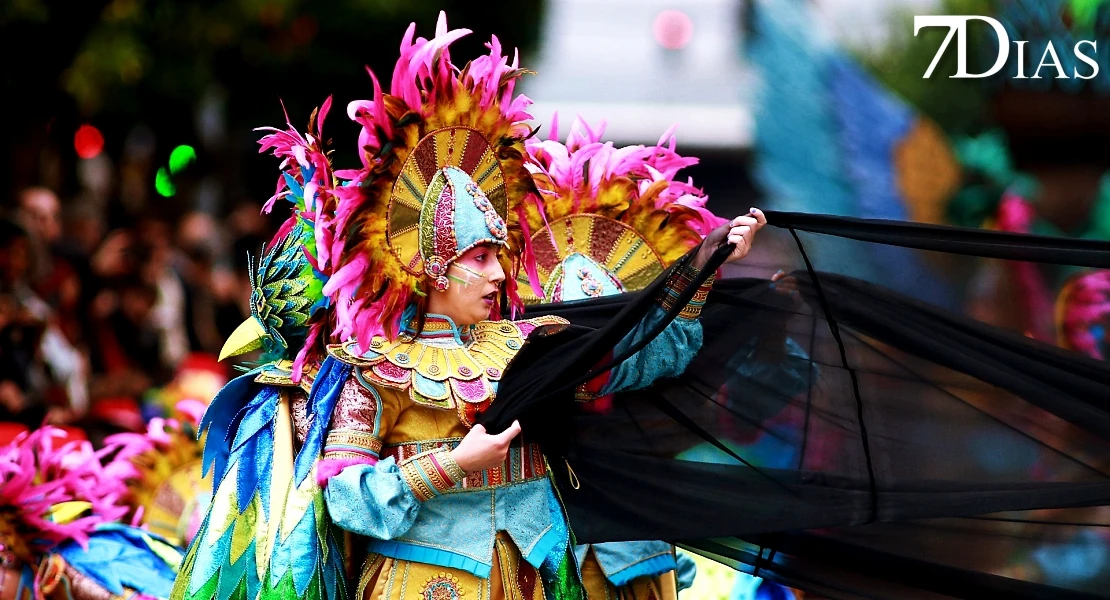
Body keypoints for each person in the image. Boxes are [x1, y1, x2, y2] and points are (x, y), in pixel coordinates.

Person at [172, 14, 766, 600]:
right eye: (477, 258)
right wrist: (451, 465)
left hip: (540, 576)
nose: (497, 273)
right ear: (430, 265)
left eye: (498, 256)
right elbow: (345, 496)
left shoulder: (527, 344)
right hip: (424, 583)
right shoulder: (375, 365)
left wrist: (702, 270)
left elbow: (637, 357)